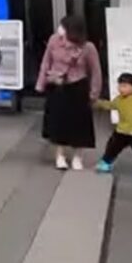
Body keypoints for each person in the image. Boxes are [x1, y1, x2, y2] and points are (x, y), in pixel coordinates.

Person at [35, 16, 102, 170]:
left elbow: (96, 71)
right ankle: (60, 155)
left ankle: (78, 156)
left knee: (80, 124)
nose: (60, 29)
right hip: (57, 86)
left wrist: (94, 94)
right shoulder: (54, 41)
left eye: (63, 26)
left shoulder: (87, 47)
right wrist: (41, 83)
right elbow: (46, 62)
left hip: (78, 86)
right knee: (58, 122)